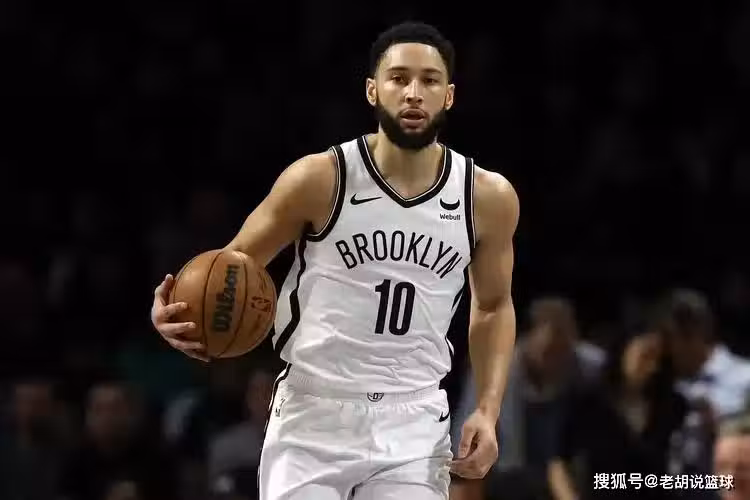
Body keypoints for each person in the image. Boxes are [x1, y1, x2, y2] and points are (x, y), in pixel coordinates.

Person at [151, 22, 519, 500]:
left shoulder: (486, 197)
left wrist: (487, 410)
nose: (413, 92)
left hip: (415, 420)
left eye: (429, 80)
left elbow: (492, 306)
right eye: (398, 78)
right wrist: (176, 309)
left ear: (448, 96)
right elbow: (233, 267)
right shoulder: (320, 178)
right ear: (372, 90)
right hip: (313, 413)